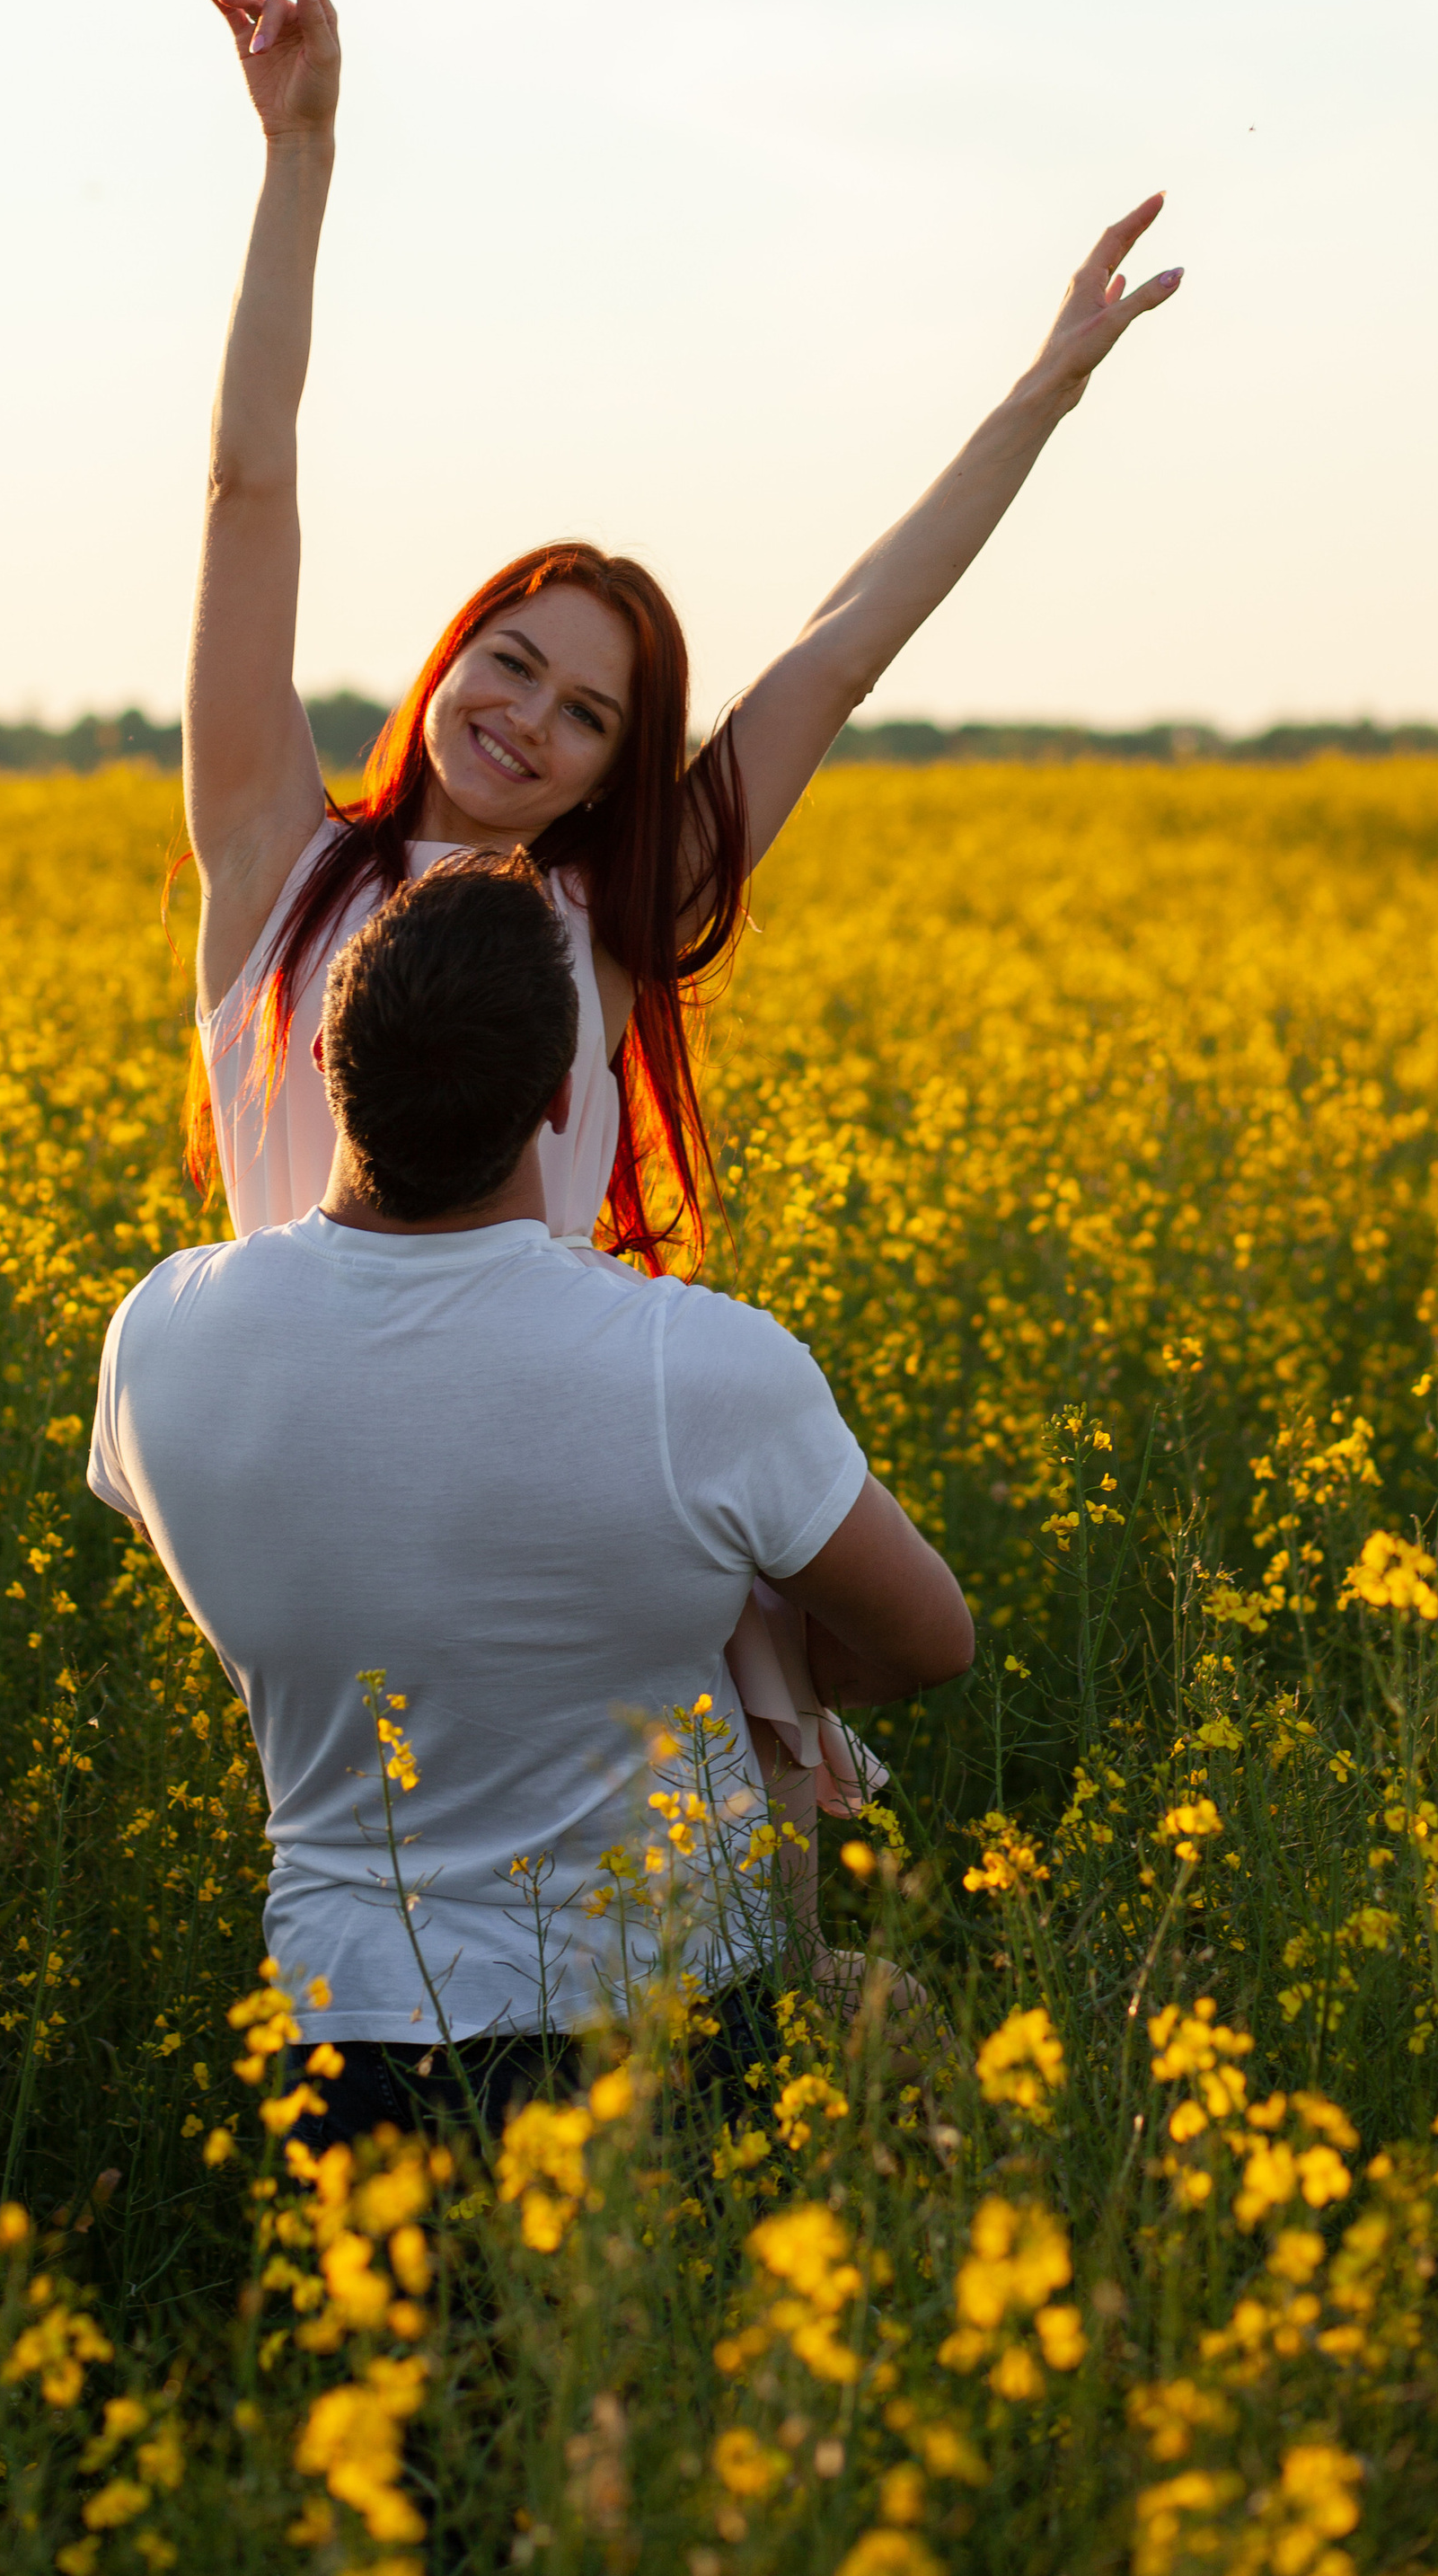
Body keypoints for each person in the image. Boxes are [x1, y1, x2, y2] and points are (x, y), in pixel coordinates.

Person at [185, 0, 1178, 1840]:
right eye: (508, 661)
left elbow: (836, 650)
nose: (524, 721)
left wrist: (1043, 392)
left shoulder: (596, 932)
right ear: (447, 655)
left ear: (608, 777)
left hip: (550, 1506)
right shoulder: (275, 873)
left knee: (715, 1922)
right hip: (323, 1485)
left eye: (581, 716)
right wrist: (294, 162)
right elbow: (248, 490)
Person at [89, 851, 973, 2139]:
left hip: (342, 2038)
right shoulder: (703, 1367)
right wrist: (748, 1665)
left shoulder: (161, 1331)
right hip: (668, 2017)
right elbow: (928, 1640)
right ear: (563, 1100)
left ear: (326, 1051)